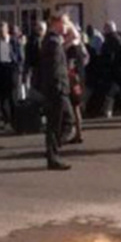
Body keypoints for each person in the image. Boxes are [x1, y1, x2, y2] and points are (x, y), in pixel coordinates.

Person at [40, 13, 73, 170]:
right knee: (57, 123)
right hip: (56, 89)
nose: (67, 26)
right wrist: (58, 87)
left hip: (59, 88)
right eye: (65, 23)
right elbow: (53, 69)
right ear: (57, 23)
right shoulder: (52, 42)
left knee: (66, 121)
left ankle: (52, 150)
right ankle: (52, 155)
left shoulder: (53, 40)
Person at [0, 21, 20, 129]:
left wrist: (18, 67)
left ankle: (15, 119)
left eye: (3, 30)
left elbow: (20, 56)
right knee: (3, 97)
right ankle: (6, 120)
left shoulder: (14, 41)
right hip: (0, 69)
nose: (1, 32)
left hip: (11, 68)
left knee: (13, 96)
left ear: (7, 30)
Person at [100, 21, 121, 118]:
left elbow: (108, 55)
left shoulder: (110, 40)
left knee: (110, 90)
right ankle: (116, 107)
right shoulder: (118, 39)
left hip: (110, 68)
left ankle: (109, 109)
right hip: (116, 68)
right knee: (115, 88)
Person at [24, 20, 47, 93]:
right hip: (35, 66)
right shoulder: (32, 40)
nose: (41, 31)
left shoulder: (47, 39)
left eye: (42, 29)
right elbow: (29, 54)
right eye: (40, 29)